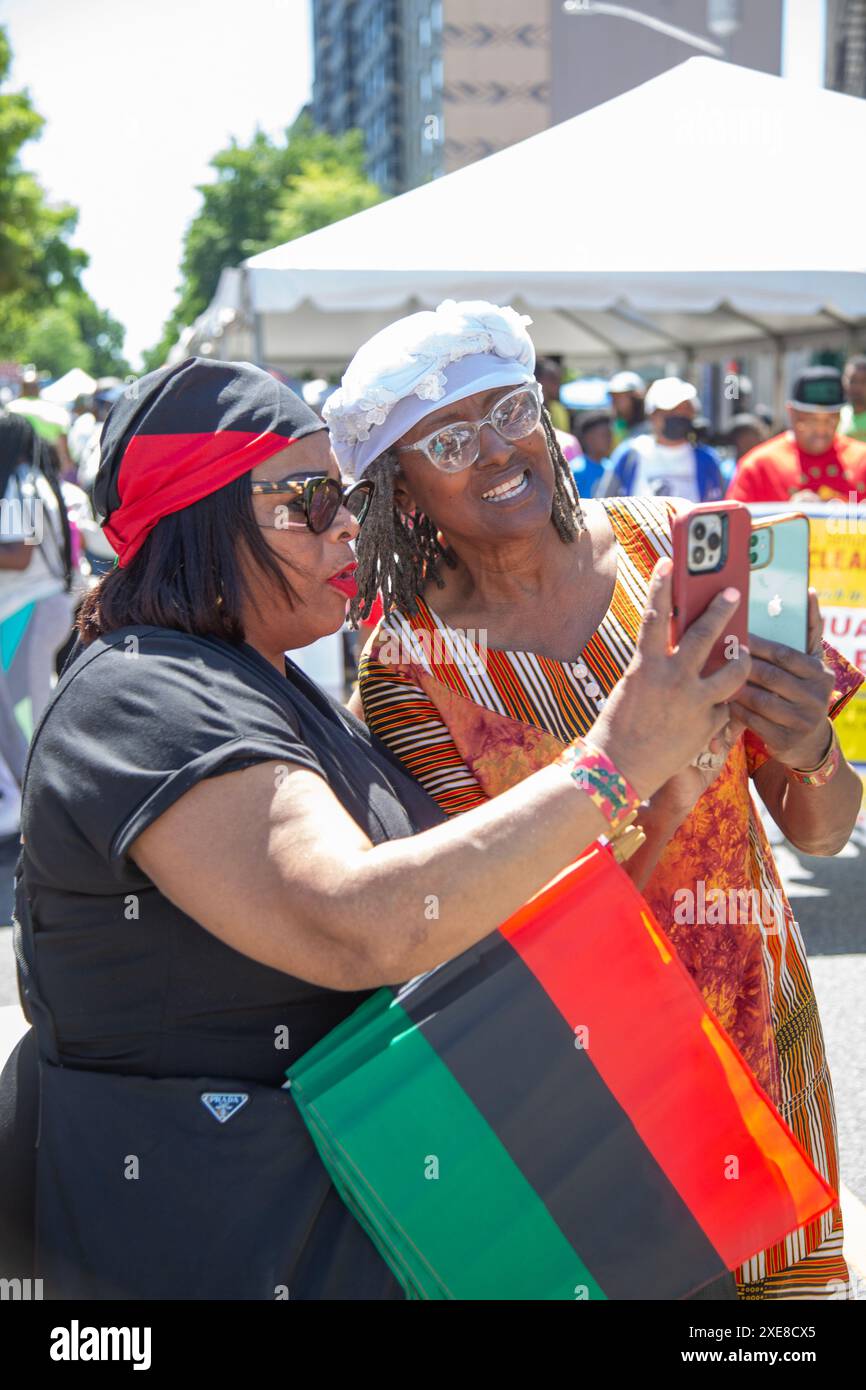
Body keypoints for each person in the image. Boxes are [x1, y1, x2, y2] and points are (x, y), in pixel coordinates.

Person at [0, 354, 752, 1300]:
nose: (345, 520)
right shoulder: (142, 691)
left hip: (345, 1210)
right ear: (198, 519)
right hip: (214, 1231)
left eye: (344, 494)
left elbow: (474, 930)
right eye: (307, 498)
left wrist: (670, 792)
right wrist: (616, 760)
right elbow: (356, 922)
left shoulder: (269, 684)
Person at [329, 300, 864, 1300]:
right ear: (400, 490)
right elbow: (479, 924)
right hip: (586, 1077)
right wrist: (644, 764)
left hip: (759, 1032)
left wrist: (810, 747)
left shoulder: (684, 559)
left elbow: (822, 833)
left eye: (511, 410)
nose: (497, 449)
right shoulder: (410, 671)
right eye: (450, 438)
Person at [0, 412, 76, 798]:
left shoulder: (19, 484)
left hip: (29, 609)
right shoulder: (33, 480)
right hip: (39, 607)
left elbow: (19, 556)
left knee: (22, 717)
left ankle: (37, 801)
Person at [727, 366, 866, 505]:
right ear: (791, 413)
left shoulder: (862, 459)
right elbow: (733, 522)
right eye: (810, 420)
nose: (820, 430)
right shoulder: (758, 467)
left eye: (831, 420)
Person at [600, 377, 725, 502]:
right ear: (652, 415)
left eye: (684, 410)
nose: (678, 416)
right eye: (670, 411)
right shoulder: (630, 454)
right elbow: (604, 503)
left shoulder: (707, 459)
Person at [6, 366, 72, 478]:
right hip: (49, 468)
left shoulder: (9, 409)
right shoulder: (56, 411)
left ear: (22, 389)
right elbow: (62, 444)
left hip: (14, 466)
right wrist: (66, 466)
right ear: (38, 389)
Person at [573, 409, 613, 496]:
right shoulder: (576, 470)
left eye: (610, 435)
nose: (609, 440)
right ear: (588, 438)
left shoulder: (611, 468)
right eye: (604, 435)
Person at [607, 370, 648, 447]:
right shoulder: (614, 427)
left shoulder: (651, 430)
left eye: (619, 397)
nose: (614, 402)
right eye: (613, 397)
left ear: (635, 398)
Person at [840, 354, 866, 443]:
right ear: (843, 381)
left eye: (864, 381)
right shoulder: (836, 416)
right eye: (852, 380)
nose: (858, 387)